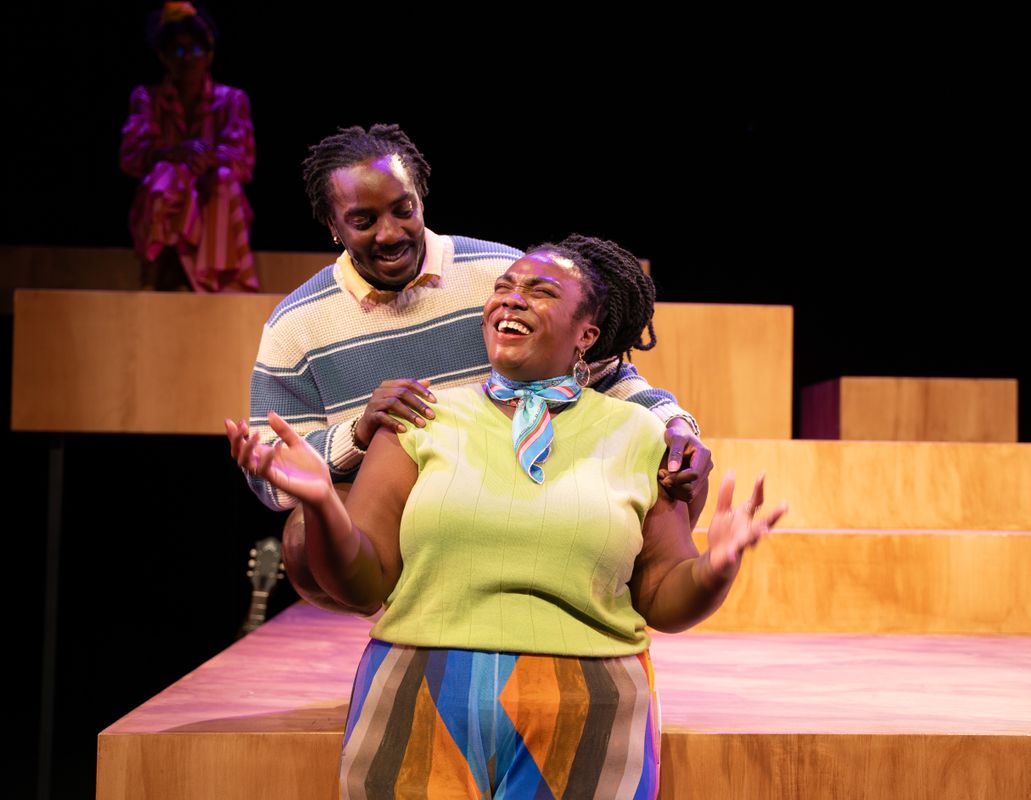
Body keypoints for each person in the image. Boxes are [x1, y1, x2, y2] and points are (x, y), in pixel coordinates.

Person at [228, 234, 787, 799]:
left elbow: (664, 597)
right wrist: (323, 502)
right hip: (419, 688)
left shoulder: (638, 434)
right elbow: (362, 583)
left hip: (587, 702)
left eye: (540, 291)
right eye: (503, 288)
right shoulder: (419, 419)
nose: (511, 298)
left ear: (587, 335)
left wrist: (716, 568)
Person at [240, 125, 712, 607]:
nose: (391, 233)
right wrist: (357, 434)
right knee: (304, 533)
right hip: (401, 510)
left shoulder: (501, 278)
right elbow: (271, 476)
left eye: (404, 209)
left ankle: (612, 599)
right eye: (364, 220)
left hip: (519, 480)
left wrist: (675, 425)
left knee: (675, 469)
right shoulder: (295, 324)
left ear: (421, 198)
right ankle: (406, 613)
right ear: (333, 226)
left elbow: (601, 371)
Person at [119, 2, 258, 292]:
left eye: (195, 50)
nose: (188, 59)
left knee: (222, 179)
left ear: (208, 55)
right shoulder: (148, 98)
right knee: (168, 175)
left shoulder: (231, 100)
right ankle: (158, 268)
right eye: (179, 51)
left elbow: (243, 161)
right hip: (166, 203)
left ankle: (216, 278)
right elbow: (131, 155)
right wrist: (175, 155)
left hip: (215, 201)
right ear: (164, 56)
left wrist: (204, 159)